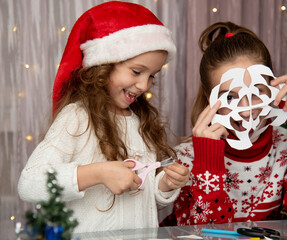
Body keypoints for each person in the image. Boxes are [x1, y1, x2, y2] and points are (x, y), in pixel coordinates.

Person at [17, 1, 189, 233]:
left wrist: (165, 185)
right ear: (103, 66)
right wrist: (98, 173)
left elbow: (144, 202)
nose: (144, 85)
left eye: (152, 76)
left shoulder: (141, 122)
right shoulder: (77, 117)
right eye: (137, 72)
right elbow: (29, 184)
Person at [161, 22, 287, 226]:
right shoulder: (187, 158)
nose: (246, 110)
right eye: (230, 97)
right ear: (210, 99)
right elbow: (204, 234)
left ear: (274, 87)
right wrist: (208, 163)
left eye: (257, 92)